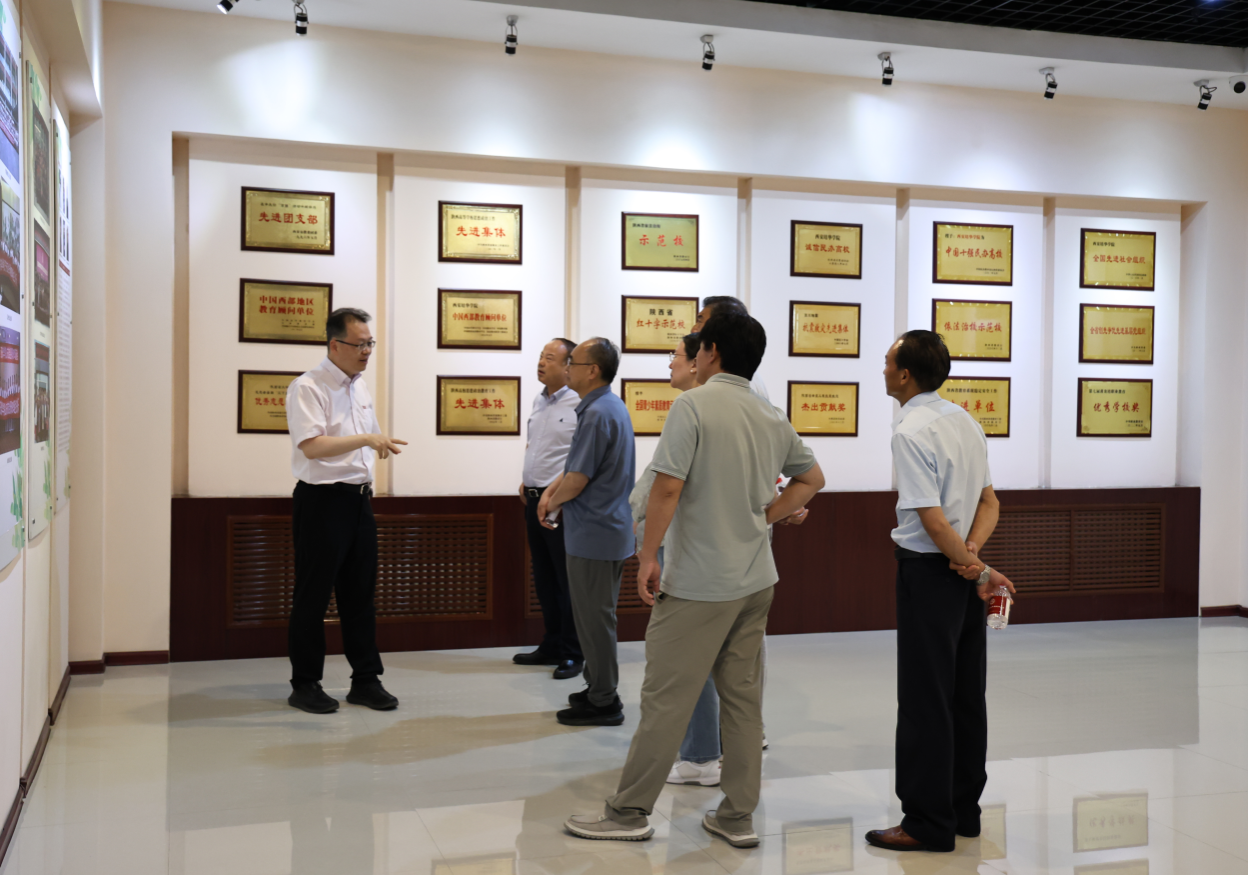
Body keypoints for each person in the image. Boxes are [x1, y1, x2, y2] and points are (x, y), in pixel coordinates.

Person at [565, 310, 825, 848]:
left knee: (665, 699)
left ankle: (629, 812)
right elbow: (812, 478)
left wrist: (648, 555)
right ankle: (736, 816)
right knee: (743, 703)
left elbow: (667, 487)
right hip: (755, 580)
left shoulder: (694, 405)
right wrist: (764, 518)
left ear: (711, 352)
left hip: (699, 582)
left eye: (697, 346)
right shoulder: (769, 413)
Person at [866, 330, 1017, 853]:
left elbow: (931, 521)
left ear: (905, 374)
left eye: (888, 361)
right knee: (964, 694)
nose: (883, 369)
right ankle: (962, 812)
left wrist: (974, 567)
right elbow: (990, 503)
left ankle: (927, 822)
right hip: (959, 568)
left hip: (932, 573)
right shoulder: (965, 420)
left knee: (925, 699)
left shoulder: (910, 430)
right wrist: (973, 557)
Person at [283, 308, 407, 714]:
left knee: (360, 596)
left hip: (359, 500)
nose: (367, 351)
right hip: (322, 502)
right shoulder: (308, 387)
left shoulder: (360, 387)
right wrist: (367, 439)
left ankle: (366, 680)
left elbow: (364, 439)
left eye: (370, 343)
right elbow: (312, 446)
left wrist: (372, 441)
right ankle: (305, 683)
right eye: (360, 344)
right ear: (335, 345)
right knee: (313, 595)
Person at [537, 337, 636, 727]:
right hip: (603, 530)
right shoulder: (607, 406)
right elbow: (575, 468)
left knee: (595, 621)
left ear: (592, 370)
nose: (566, 369)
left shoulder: (596, 413)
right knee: (594, 617)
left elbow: (578, 479)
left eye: (572, 363)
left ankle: (604, 700)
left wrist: (552, 502)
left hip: (596, 533)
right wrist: (553, 492)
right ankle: (597, 686)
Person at [514, 337, 584, 680]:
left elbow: (579, 458)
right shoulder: (539, 400)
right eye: (541, 356)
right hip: (533, 499)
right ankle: (552, 643)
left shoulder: (580, 403)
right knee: (544, 578)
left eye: (550, 358)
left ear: (569, 366)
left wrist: (553, 493)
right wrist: (527, 480)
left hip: (561, 503)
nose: (541, 363)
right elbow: (537, 446)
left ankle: (573, 652)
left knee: (566, 580)